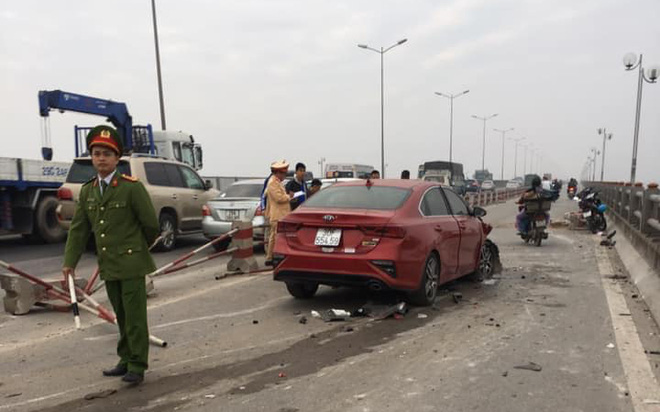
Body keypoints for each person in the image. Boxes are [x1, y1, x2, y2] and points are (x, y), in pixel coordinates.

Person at [62, 125, 159, 385]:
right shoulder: (88, 190)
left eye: (107, 153)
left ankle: (137, 365)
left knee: (135, 317)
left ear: (117, 159)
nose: (101, 158)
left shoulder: (130, 187)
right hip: (109, 264)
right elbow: (79, 229)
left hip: (131, 262)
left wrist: (138, 249)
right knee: (121, 315)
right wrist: (69, 262)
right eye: (96, 153)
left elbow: (151, 225)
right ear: (92, 158)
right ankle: (125, 359)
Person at [265, 160, 292, 266]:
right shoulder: (272, 183)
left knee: (274, 236)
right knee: (275, 236)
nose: (284, 176)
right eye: (284, 173)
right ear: (278, 173)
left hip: (280, 214)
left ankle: (271, 256)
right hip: (277, 214)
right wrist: (290, 197)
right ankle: (271, 257)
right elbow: (279, 198)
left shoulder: (277, 182)